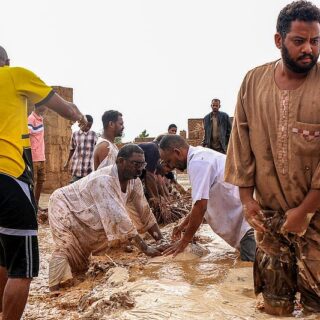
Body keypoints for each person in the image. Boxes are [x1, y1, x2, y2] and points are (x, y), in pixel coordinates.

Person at [225, 1, 320, 315]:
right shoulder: (253, 82)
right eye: (299, 41)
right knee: (274, 305)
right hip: (267, 218)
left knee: (314, 307)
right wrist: (246, 200)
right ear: (279, 41)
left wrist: (305, 211)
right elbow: (240, 141)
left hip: (316, 219)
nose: (309, 49)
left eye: (315, 41)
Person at [0, 45, 87, 320]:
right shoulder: (15, 75)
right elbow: (66, 108)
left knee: (3, 256)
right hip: (8, 178)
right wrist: (81, 117)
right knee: (22, 268)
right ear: (7, 61)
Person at [48, 144, 164, 291]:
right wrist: (146, 248)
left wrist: (160, 240)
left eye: (143, 164)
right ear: (121, 161)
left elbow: (144, 211)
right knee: (65, 245)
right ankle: (54, 290)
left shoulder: (134, 181)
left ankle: (74, 284)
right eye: (136, 164)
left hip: (86, 212)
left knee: (84, 254)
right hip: (63, 203)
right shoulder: (104, 180)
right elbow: (119, 219)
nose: (140, 169)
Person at [159, 135, 255, 261]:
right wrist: (183, 225)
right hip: (245, 225)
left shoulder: (198, 162)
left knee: (252, 274)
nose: (169, 166)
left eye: (169, 161)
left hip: (246, 226)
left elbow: (200, 206)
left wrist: (184, 241)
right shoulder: (201, 156)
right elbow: (201, 202)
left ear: (177, 152)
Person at [64, 115, 97, 183]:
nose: (88, 128)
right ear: (82, 123)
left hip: (89, 169)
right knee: (74, 187)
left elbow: (97, 149)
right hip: (77, 168)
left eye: (90, 126)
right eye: (87, 125)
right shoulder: (75, 134)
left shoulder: (93, 135)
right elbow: (72, 149)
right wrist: (67, 162)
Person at [28, 105, 47, 208]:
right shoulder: (31, 119)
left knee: (40, 181)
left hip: (41, 156)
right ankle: (30, 204)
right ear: (37, 105)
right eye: (44, 105)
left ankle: (36, 203)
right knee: (32, 182)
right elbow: (26, 136)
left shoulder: (41, 119)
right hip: (34, 157)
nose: (46, 107)